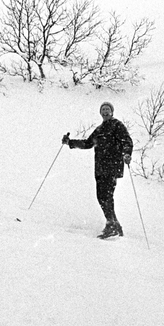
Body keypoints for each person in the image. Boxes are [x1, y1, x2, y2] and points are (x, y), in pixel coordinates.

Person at [63, 101, 134, 239]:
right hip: (100, 168)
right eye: (103, 109)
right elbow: (87, 143)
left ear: (112, 112)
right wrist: (70, 142)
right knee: (102, 196)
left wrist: (127, 153)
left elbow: (127, 141)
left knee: (106, 196)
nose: (105, 111)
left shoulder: (117, 125)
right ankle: (114, 225)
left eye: (108, 109)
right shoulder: (99, 129)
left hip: (112, 166)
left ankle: (111, 225)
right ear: (100, 113)